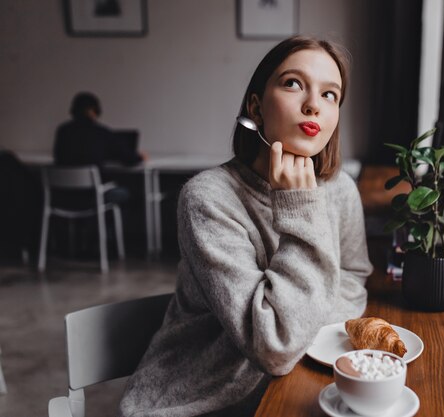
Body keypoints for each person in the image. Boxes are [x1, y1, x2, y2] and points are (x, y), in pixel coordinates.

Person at [119, 35, 373, 417]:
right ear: (256, 104)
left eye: (330, 95)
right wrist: (299, 207)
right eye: (293, 83)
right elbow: (274, 345)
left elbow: (353, 275)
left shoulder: (340, 190)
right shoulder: (207, 199)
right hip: (200, 400)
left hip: (294, 383)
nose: (312, 106)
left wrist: (300, 326)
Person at [53, 92, 145, 206]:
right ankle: (111, 223)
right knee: (126, 192)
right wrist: (141, 156)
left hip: (63, 196)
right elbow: (129, 159)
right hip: (92, 196)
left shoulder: (62, 131)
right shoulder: (101, 133)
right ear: (93, 111)